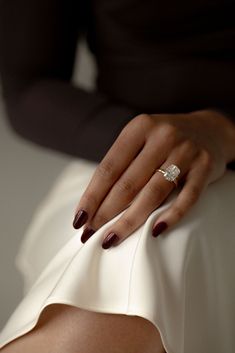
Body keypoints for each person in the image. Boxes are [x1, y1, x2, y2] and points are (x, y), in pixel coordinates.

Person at [0, 0, 235, 352]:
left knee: (162, 239)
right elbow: (29, 85)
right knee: (137, 235)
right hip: (117, 158)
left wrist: (225, 130)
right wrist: (151, 147)